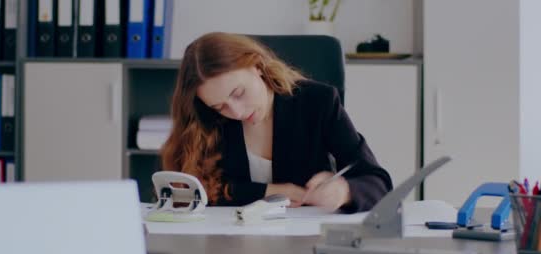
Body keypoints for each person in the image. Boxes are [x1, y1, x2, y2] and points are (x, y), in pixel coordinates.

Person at [160, 32, 392, 213]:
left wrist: (344, 191)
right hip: (231, 245)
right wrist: (272, 191)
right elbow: (192, 191)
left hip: (304, 243)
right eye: (219, 106)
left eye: (239, 93)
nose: (236, 112)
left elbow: (378, 182)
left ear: (257, 65)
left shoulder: (318, 102)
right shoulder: (209, 119)